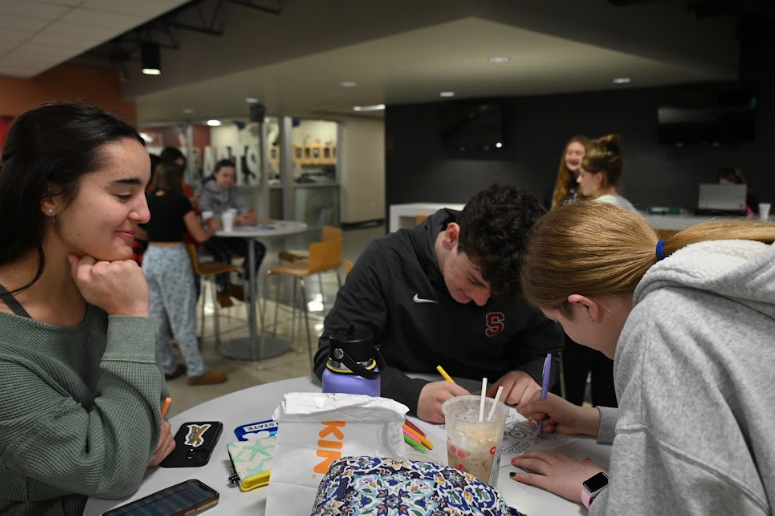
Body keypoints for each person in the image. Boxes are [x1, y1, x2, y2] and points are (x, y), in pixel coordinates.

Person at [511, 201, 775, 514]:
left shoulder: (659, 325)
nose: (564, 332)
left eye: (558, 322)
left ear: (585, 307)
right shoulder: (710, 266)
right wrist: (594, 421)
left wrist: (594, 487)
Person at [0, 102, 176, 514]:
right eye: (123, 193)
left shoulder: (98, 289)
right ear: (50, 196)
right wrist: (131, 316)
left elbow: (158, 406)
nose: (144, 212)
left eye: (144, 192)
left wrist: (127, 439)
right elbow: (112, 468)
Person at [313, 184, 564, 423]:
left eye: (497, 295)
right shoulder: (386, 259)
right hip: (404, 417)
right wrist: (409, 393)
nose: (480, 300)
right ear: (452, 237)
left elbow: (547, 352)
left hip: (493, 420)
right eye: (473, 280)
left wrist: (530, 374)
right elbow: (333, 356)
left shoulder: (524, 274)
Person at [140, 163, 228, 386]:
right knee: (182, 317)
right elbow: (199, 235)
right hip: (173, 258)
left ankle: (168, 366)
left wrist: (154, 232)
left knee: (155, 315)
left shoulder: (148, 200)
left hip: (151, 258)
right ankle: (196, 370)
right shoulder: (181, 202)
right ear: (177, 180)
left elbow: (137, 230)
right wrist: (213, 228)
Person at [198, 158, 266, 307]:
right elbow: (208, 219)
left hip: (229, 236)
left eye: (232, 176)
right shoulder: (205, 192)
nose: (229, 179)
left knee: (258, 249)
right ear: (215, 174)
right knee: (223, 252)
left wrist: (247, 216)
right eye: (225, 175)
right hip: (208, 237)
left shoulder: (234, 191)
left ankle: (242, 283)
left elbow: (243, 209)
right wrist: (234, 219)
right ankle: (223, 290)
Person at [576, 134, 638, 213]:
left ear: (598, 177)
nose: (578, 180)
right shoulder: (627, 205)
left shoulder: (597, 210)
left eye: (582, 175)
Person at [542, 135, 592, 210]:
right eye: (569, 153)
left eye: (578, 153)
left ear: (588, 156)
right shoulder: (556, 184)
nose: (573, 157)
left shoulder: (594, 186)